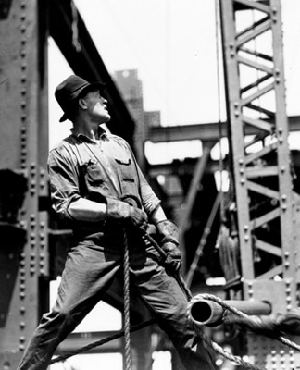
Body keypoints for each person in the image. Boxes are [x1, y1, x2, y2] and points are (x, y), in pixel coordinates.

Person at [17, 75, 216, 370]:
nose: (106, 101)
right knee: (61, 317)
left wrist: (166, 229)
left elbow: (145, 190)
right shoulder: (64, 154)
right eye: (99, 96)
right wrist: (114, 209)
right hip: (94, 247)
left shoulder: (120, 145)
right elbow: (67, 205)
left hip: (140, 244)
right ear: (82, 103)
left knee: (183, 319)